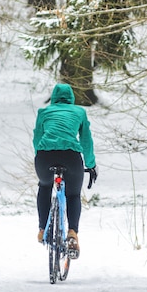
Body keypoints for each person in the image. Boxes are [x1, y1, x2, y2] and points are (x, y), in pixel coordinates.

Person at [33, 83, 97, 259]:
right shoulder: (79, 112)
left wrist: (40, 156)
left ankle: (41, 229)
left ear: (53, 97)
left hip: (45, 156)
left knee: (45, 187)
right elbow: (86, 141)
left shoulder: (43, 112)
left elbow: (37, 138)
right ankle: (72, 233)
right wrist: (91, 164)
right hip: (70, 156)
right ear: (71, 98)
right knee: (73, 194)